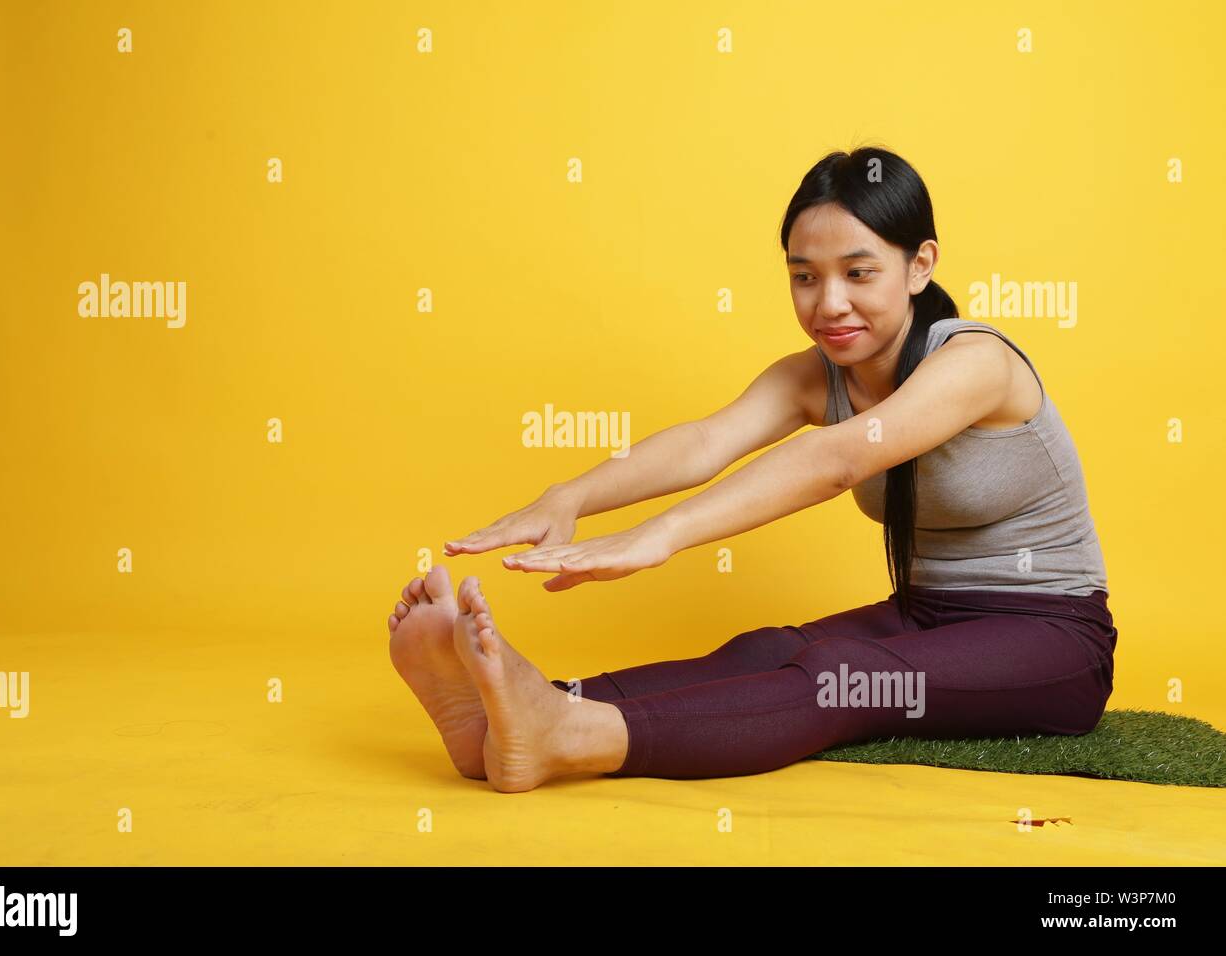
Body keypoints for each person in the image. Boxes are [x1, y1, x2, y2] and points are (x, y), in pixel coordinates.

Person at [387, 146, 1117, 792]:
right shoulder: (821, 375)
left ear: (919, 265)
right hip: (925, 616)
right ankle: (520, 713)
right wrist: (569, 496)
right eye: (804, 277)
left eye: (860, 273)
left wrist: (661, 535)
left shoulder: (977, 364)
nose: (830, 303)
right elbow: (704, 443)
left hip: (1051, 640)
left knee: (841, 680)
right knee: (770, 649)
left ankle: (571, 736)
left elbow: (834, 461)